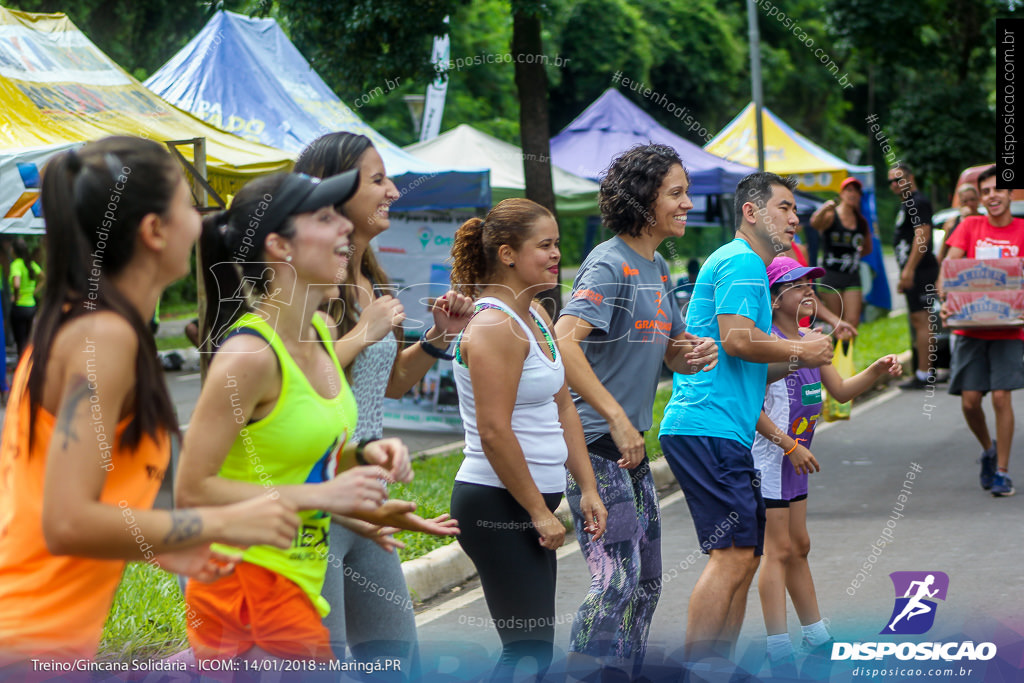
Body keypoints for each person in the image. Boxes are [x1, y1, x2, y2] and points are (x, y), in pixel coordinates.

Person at [0, 136, 301, 662]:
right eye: (188, 202)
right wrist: (224, 523)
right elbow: (66, 520)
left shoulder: (86, 324)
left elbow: (78, 498)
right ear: (154, 231)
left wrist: (164, 543)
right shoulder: (102, 336)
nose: (202, 218)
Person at [176, 171, 444, 662]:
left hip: (296, 584)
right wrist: (323, 494)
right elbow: (192, 491)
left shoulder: (320, 332)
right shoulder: (249, 356)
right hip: (242, 593)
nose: (344, 227)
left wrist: (361, 467)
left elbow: (297, 455)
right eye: (324, 217)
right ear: (279, 245)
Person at [294, 132, 468, 667]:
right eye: (377, 180)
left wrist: (437, 338)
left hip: (369, 506)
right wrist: (364, 332)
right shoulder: (304, 282)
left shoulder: (371, 280)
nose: (393, 190)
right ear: (335, 193)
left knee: (395, 663)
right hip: (317, 506)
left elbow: (386, 384)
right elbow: (289, 382)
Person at [552, 144, 717, 674]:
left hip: (629, 447)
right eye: (676, 193)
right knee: (616, 580)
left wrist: (691, 355)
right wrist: (619, 417)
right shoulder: (609, 265)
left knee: (646, 581)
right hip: (595, 444)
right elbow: (564, 340)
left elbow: (671, 351)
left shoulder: (660, 269)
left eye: (686, 191)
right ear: (645, 201)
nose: (688, 203)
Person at [658, 172, 834, 664]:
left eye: (796, 209)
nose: (795, 218)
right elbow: (737, 339)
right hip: (706, 424)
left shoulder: (747, 264)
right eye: (783, 207)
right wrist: (801, 344)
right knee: (733, 556)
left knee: (745, 556)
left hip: (720, 428)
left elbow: (752, 360)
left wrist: (802, 358)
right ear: (751, 213)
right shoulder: (742, 263)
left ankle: (718, 668)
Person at [449, 198, 608, 679]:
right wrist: (539, 511)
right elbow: (494, 431)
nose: (556, 254)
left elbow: (563, 407)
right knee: (527, 651)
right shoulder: (495, 324)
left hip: (529, 500)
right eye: (545, 245)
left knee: (533, 648)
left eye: (557, 243)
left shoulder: (535, 312)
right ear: (507, 254)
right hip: (496, 502)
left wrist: (588, 489)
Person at [753, 256, 902, 673]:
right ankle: (778, 645)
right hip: (771, 458)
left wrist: (876, 369)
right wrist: (786, 446)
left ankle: (815, 633)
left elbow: (840, 391)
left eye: (810, 284)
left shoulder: (813, 339)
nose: (808, 292)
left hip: (795, 461)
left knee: (799, 545)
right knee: (777, 550)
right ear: (775, 297)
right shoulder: (763, 343)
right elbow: (747, 407)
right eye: (797, 285)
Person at [941, 165, 1024, 497]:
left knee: (1002, 397)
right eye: (986, 191)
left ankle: (1002, 471)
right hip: (970, 327)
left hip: (1009, 329)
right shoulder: (970, 226)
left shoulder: (1021, 230)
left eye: (998, 190)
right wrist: (946, 300)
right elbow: (950, 270)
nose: (992, 196)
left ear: (1009, 193)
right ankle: (988, 448)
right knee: (971, 401)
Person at [889, 162, 939, 389]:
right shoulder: (906, 204)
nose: (895, 185)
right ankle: (923, 370)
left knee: (922, 321)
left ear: (910, 178)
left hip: (921, 271)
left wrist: (908, 271)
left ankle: (924, 374)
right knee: (917, 320)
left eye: (899, 179)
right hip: (913, 272)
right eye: (891, 181)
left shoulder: (917, 202)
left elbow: (922, 236)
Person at [809, 177, 873, 330]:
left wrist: (852, 258)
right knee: (836, 323)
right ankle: (835, 352)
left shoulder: (861, 221)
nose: (853, 194)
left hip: (852, 276)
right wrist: (824, 208)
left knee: (852, 321)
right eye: (849, 190)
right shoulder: (831, 216)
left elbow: (868, 248)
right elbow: (814, 223)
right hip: (831, 275)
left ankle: (848, 353)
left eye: (857, 191)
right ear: (841, 193)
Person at [8, 238, 42, 358]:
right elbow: (43, 277)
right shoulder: (31, 264)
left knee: (20, 341)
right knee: (29, 340)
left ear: (14, 251)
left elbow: (16, 283)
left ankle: (22, 369)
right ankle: (30, 364)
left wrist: (16, 297)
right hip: (31, 307)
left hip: (20, 308)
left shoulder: (16, 264)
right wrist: (33, 291)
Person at [937, 183, 983, 265]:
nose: (969, 204)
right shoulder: (952, 222)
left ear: (978, 200)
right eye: (965, 201)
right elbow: (943, 251)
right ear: (960, 203)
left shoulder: (985, 221)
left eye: (972, 200)